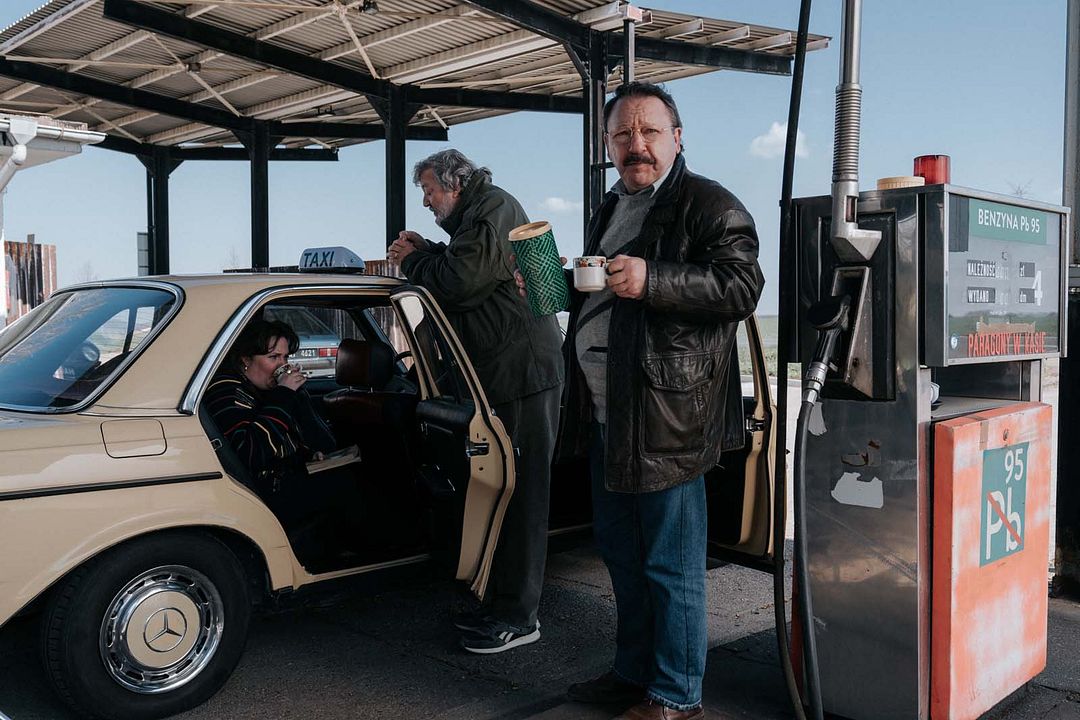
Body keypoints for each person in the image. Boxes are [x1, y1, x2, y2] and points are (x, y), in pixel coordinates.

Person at [557, 82, 764, 720]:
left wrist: (655, 279)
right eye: (622, 135)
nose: (635, 145)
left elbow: (741, 286)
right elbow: (604, 301)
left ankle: (677, 696)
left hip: (668, 420)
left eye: (649, 131)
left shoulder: (710, 204)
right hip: (607, 415)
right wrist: (557, 282)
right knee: (622, 557)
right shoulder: (611, 205)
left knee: (672, 567)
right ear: (607, 144)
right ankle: (634, 673)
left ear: (677, 137)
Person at [387, 149, 564, 655]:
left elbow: (462, 285)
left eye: (429, 191)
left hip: (523, 375)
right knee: (504, 491)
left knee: (524, 495)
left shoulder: (493, 211)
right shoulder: (481, 216)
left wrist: (414, 258)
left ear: (456, 184)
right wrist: (428, 249)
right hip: (503, 376)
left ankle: (518, 616)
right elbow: (470, 268)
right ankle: (499, 600)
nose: (425, 201)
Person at [205, 318, 349, 562]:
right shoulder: (227, 392)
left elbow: (289, 437)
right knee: (348, 483)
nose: (282, 365)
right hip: (260, 493)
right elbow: (251, 450)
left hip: (281, 477)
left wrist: (306, 454)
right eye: (273, 358)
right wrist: (284, 394)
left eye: (285, 358)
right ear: (245, 360)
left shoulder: (259, 389)